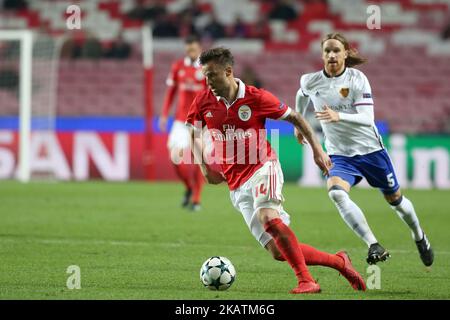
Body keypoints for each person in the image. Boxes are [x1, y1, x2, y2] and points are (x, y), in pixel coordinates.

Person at [186, 47, 366, 294]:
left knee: (268, 217)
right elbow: (193, 130)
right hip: (236, 184)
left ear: (228, 72)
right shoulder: (203, 101)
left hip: (263, 166)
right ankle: (339, 262)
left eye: (212, 75)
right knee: (277, 252)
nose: (208, 82)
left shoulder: (256, 97)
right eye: (205, 76)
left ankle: (307, 281)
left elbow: (296, 118)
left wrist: (317, 149)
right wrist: (204, 167)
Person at [295, 32, 434, 266]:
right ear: (322, 55)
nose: (331, 55)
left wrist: (338, 115)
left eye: (336, 50)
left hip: (370, 151)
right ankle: (373, 244)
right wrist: (299, 124)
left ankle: (419, 235)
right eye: (327, 50)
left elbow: (368, 118)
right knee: (337, 193)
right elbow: (302, 95)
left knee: (396, 200)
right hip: (339, 154)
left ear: (345, 53)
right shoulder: (310, 80)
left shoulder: (357, 79)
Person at [159, 35, 207, 211]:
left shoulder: (207, 68)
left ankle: (196, 200)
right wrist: (164, 114)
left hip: (200, 122)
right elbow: (171, 92)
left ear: (199, 48)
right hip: (180, 121)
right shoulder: (178, 66)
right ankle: (188, 187)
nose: (191, 52)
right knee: (175, 158)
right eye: (188, 49)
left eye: (193, 49)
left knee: (198, 160)